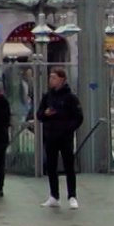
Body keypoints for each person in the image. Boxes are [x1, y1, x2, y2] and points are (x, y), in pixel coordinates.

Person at [35, 68, 83, 209]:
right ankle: (54, 196)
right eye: (50, 77)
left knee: (69, 166)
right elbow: (39, 114)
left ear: (62, 79)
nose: (51, 80)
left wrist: (68, 128)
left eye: (54, 77)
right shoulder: (47, 96)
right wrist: (45, 114)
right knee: (51, 166)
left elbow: (79, 117)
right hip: (50, 136)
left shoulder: (70, 98)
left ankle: (72, 196)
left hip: (65, 137)